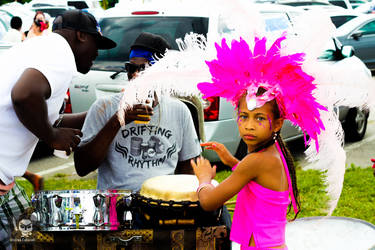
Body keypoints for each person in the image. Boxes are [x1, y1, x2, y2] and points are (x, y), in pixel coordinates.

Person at [191, 35, 327, 249]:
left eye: (260, 118)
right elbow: (257, 181)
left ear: (277, 123)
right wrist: (231, 160)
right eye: (243, 116)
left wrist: (203, 179)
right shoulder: (273, 153)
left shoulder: (255, 162)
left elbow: (209, 202)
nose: (249, 125)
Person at [0, 9, 116, 249]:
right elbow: (24, 95)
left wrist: (107, 111)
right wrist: (52, 137)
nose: (98, 52)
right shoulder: (60, 53)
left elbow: (44, 117)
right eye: (97, 43)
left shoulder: (40, 47)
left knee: (29, 237)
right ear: (80, 36)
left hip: (6, 183)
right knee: (26, 241)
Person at [74, 32, 201, 192]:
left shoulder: (179, 111)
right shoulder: (104, 107)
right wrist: (117, 120)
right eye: (131, 68)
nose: (135, 75)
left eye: (144, 70)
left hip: (161, 206)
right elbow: (82, 167)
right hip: (119, 205)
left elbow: (188, 169)